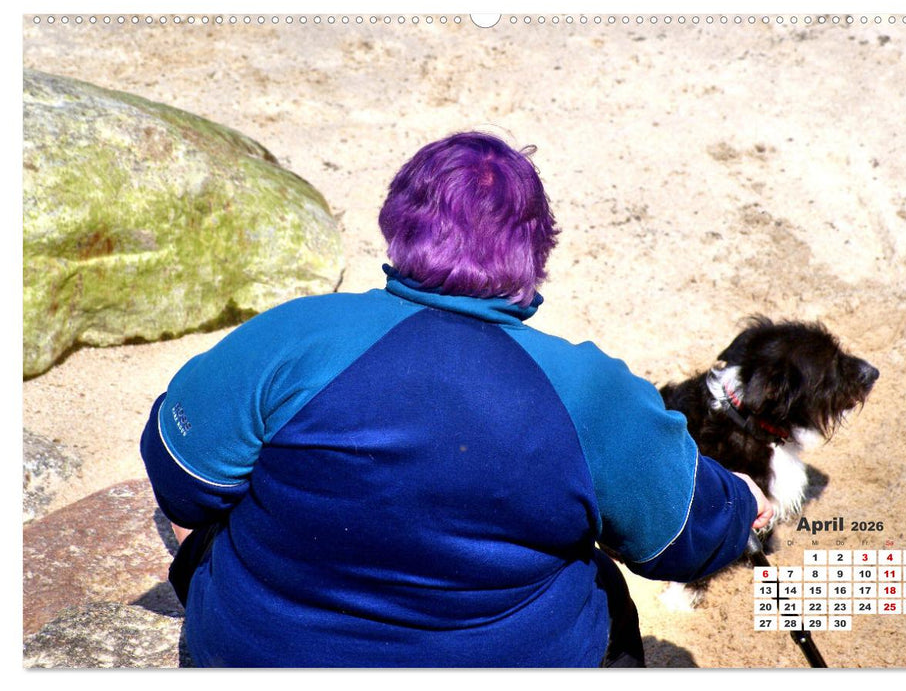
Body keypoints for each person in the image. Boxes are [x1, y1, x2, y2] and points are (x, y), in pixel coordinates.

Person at [140, 131, 772, 668]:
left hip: (259, 658)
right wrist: (741, 502)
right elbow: (678, 541)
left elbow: (181, 481)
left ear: (397, 222)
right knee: (602, 587)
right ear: (536, 250)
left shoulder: (294, 335)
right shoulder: (589, 391)